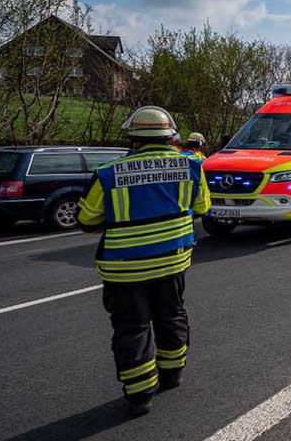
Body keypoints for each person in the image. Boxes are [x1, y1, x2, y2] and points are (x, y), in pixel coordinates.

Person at [77, 105, 211, 417]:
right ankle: (172, 374)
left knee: (133, 327)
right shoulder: (192, 166)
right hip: (173, 261)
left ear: (133, 139)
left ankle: (140, 396)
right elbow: (202, 207)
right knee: (171, 315)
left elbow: (86, 219)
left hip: (125, 267)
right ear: (171, 136)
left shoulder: (110, 173)